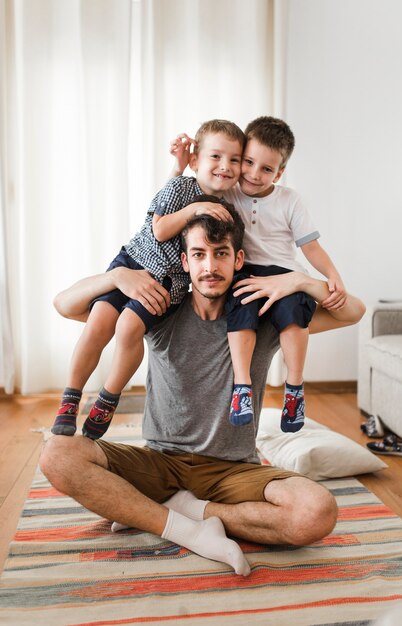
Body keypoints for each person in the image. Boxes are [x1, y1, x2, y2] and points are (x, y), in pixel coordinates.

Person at [41, 208, 365, 576]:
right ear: (185, 261)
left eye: (221, 253)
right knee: (57, 453)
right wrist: (117, 275)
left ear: (238, 258)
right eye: (199, 254)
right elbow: (64, 305)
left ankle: (184, 511)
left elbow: (352, 312)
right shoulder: (159, 311)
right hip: (160, 463)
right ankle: (186, 529)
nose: (209, 266)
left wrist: (300, 282)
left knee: (316, 512)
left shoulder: (264, 317)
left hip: (233, 471)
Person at [51, 119, 244, 440]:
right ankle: (70, 398)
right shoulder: (179, 186)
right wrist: (195, 207)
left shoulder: (227, 208)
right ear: (195, 161)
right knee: (99, 321)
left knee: (128, 326)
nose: (225, 166)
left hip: (168, 281)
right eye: (216, 157)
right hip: (133, 260)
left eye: (234, 160)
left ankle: (108, 397)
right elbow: (159, 229)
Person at [170, 116, 352, 433]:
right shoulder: (229, 194)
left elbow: (310, 246)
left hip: (286, 274)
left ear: (279, 172)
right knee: (240, 310)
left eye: (266, 169)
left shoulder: (289, 200)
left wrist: (332, 274)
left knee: (294, 315)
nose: (254, 174)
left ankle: (294, 387)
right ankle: (243, 386)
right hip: (246, 273)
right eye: (249, 163)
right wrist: (182, 164)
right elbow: (194, 187)